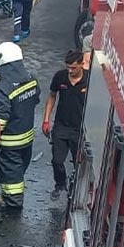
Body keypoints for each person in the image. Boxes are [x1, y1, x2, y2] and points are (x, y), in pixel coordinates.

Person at [0, 42, 40, 213]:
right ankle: (11, 197)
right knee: (18, 170)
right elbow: (35, 100)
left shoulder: (2, 88)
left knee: (10, 175)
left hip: (9, 142)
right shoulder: (31, 79)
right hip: (27, 137)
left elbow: (0, 122)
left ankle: (12, 203)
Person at [42, 51, 88, 198]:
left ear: (82, 64)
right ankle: (60, 184)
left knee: (79, 162)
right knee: (57, 160)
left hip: (79, 129)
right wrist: (46, 119)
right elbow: (52, 96)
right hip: (61, 127)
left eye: (73, 67)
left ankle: (78, 188)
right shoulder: (60, 77)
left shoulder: (89, 79)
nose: (70, 70)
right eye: (68, 67)